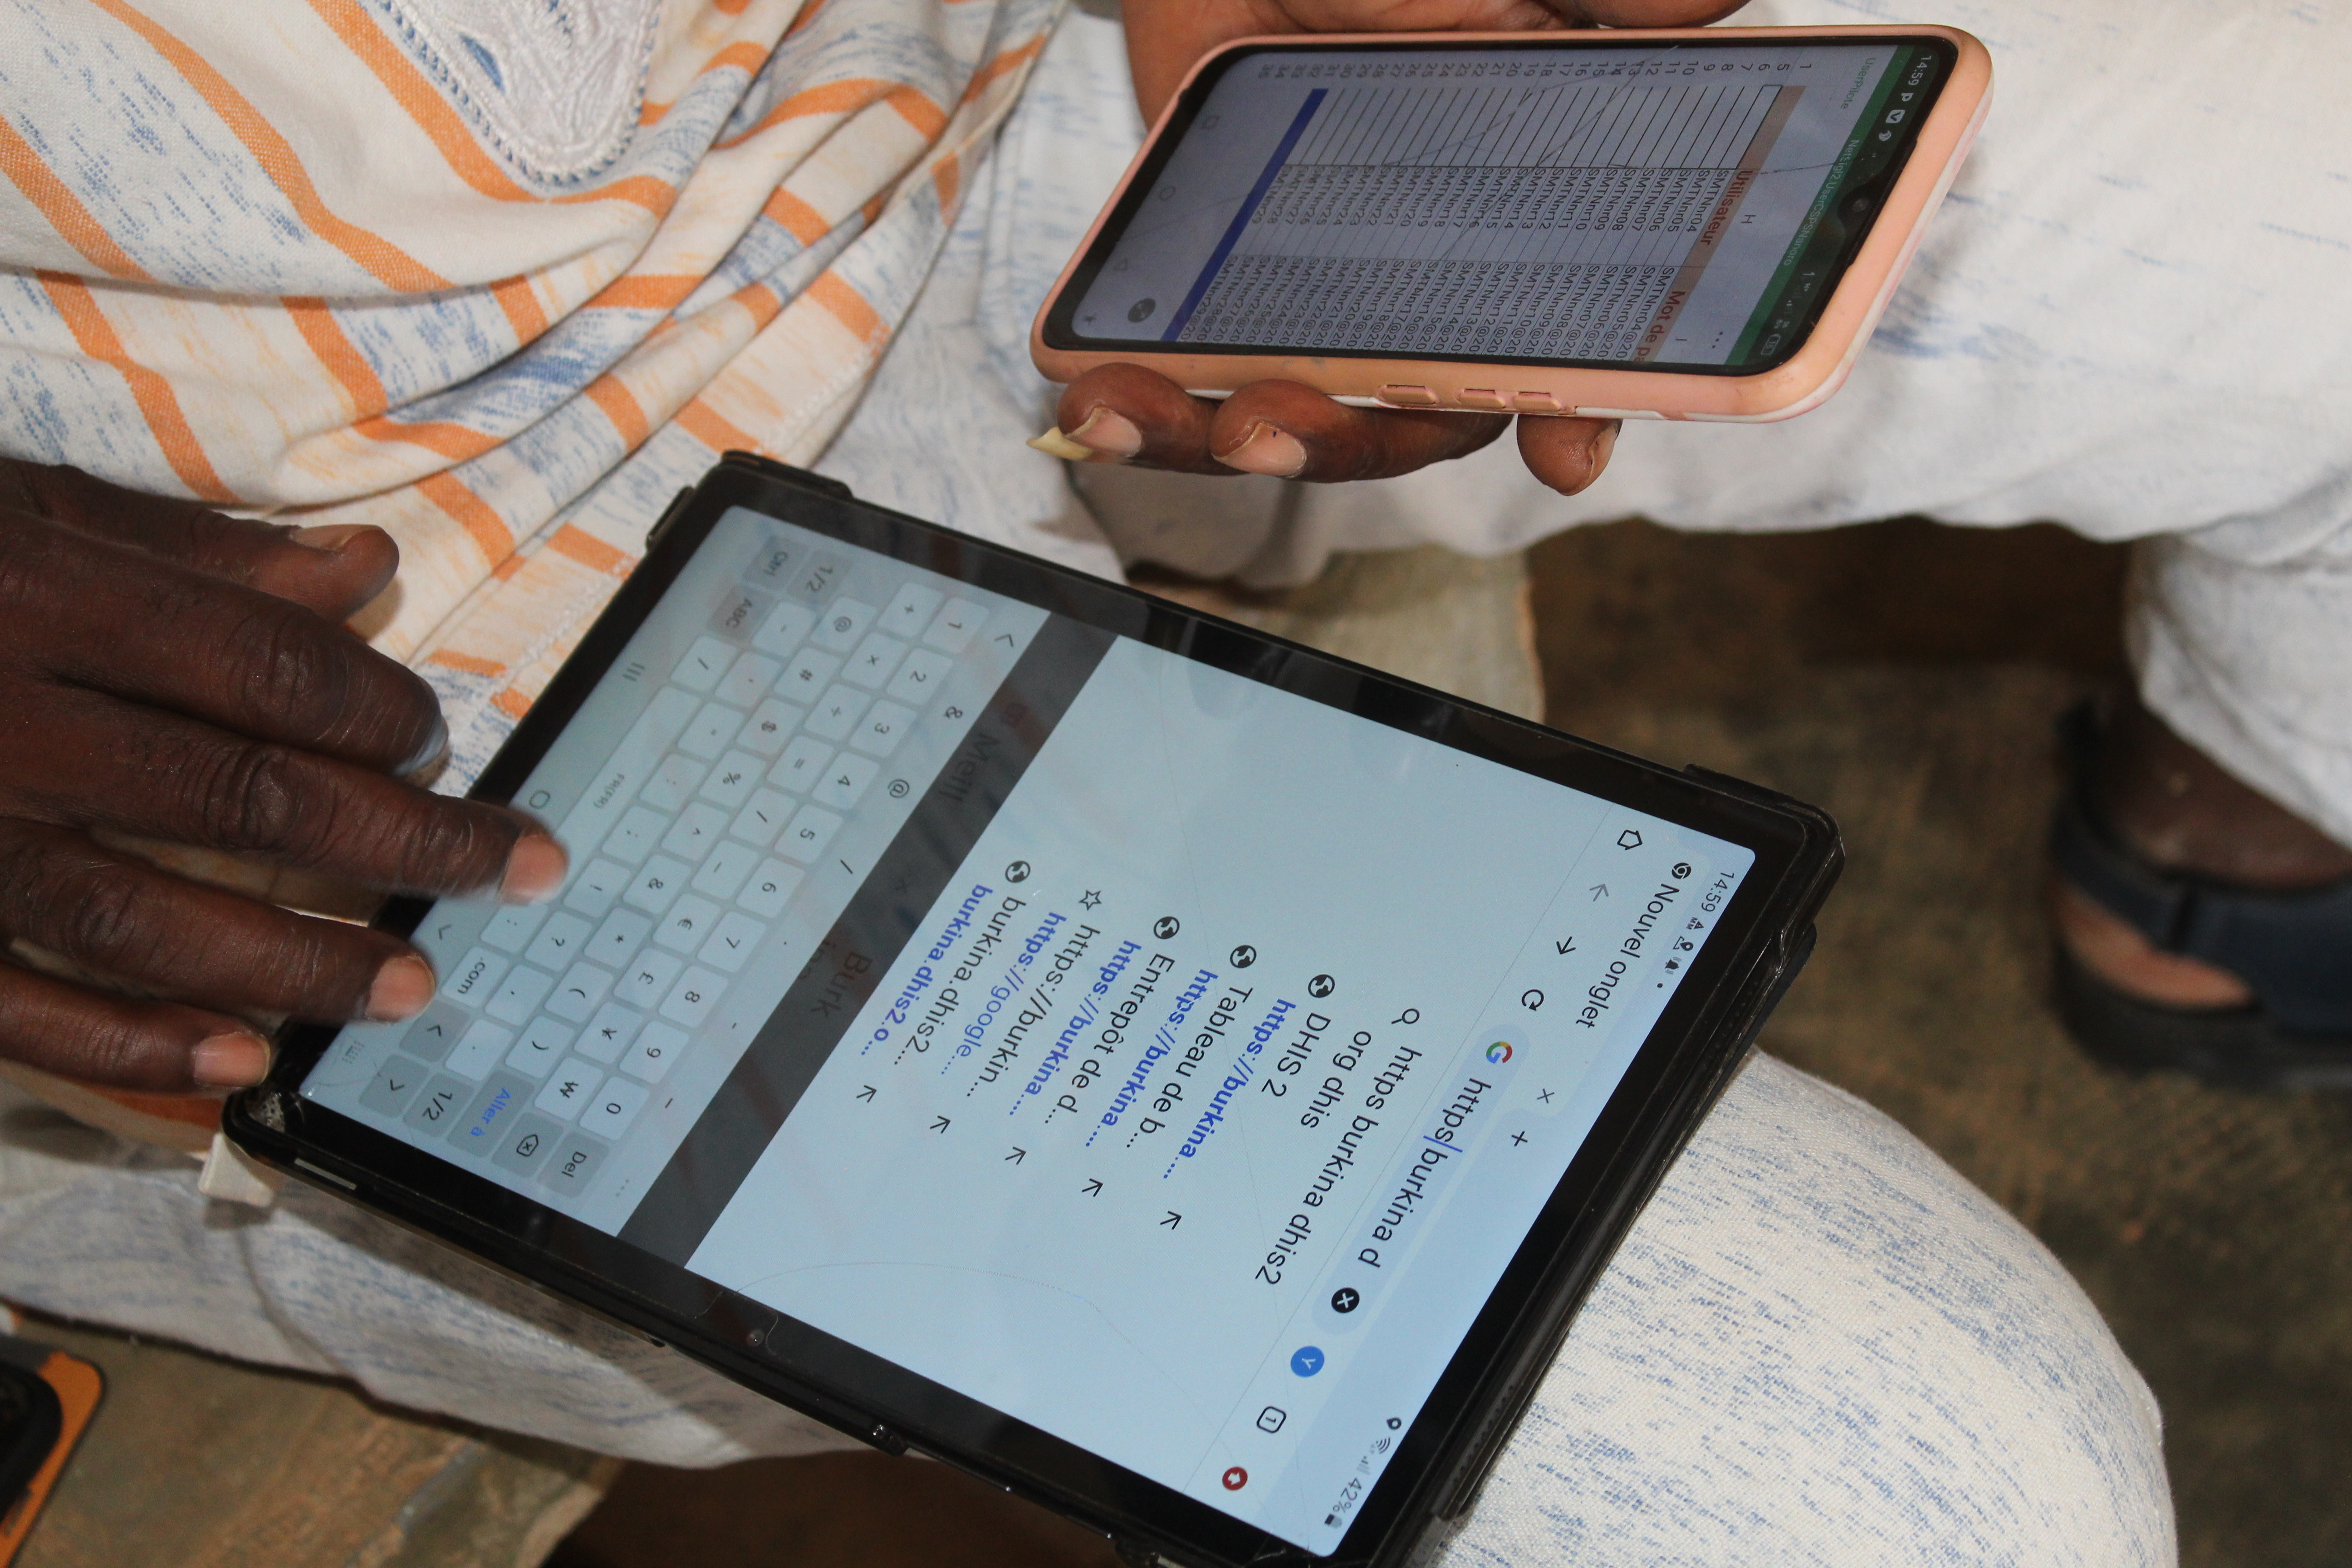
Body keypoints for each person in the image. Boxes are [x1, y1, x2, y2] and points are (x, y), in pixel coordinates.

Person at [0, 0, 2245, 1558]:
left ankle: (2218, 891)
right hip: (309, 646)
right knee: (1926, 1495)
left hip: (981, 118)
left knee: (2293, 224)